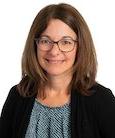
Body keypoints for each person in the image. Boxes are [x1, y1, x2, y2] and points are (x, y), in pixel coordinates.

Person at [0, 3, 115, 138]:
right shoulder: (18, 96)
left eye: (66, 42)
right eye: (45, 41)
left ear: (80, 46)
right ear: (35, 45)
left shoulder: (101, 99)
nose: (54, 51)